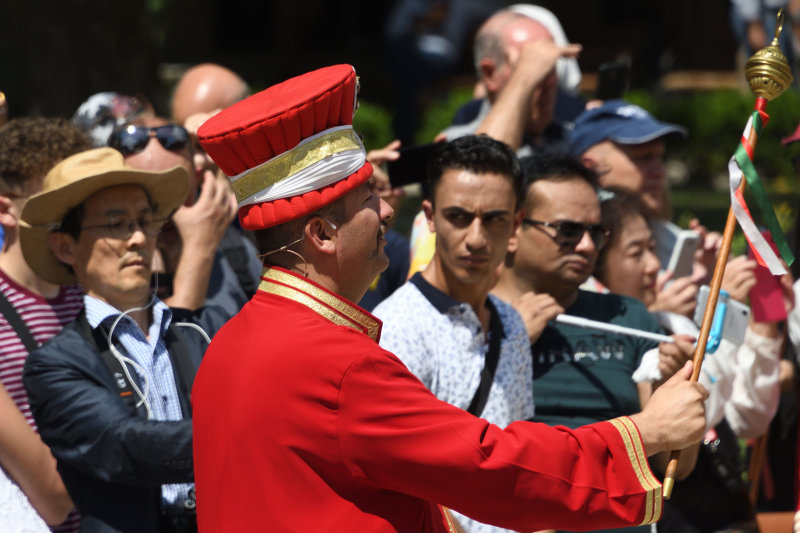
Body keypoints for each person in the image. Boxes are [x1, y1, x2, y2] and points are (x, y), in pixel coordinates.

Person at [192, 64, 708, 532]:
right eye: (369, 198)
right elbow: (490, 464)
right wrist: (643, 434)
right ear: (323, 235)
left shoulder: (228, 345)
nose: (388, 213)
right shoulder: (338, 365)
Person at [20, 148, 229, 532]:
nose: (136, 238)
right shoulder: (54, 364)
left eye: (145, 222)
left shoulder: (208, 330)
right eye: (115, 224)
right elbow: (123, 445)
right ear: (66, 247)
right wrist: (250, 431)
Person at [491, 154, 700, 533]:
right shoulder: (474, 317)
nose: (587, 246)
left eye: (596, 232)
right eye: (568, 231)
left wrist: (673, 386)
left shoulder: (629, 316)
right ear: (513, 228)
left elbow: (675, 467)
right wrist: (507, 341)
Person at [593, 188, 789, 532]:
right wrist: (716, 307)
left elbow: (748, 417)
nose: (653, 265)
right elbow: (686, 433)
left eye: (652, 249)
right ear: (597, 266)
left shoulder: (677, 326)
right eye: (636, 252)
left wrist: (761, 322)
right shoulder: (603, 346)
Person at [373, 135, 531, 533]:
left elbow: (525, 464)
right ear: (429, 217)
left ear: (516, 224)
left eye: (493, 218)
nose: (476, 238)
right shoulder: (396, 329)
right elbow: (401, 482)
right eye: (459, 216)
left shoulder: (512, 324)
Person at [0, 117, 90, 532]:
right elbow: (52, 495)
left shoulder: (95, 294)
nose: (76, 217)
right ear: (6, 209)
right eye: (58, 202)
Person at [110, 114, 258, 315]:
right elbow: (165, 342)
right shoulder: (107, 266)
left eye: (175, 190)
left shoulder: (234, 251)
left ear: (196, 178)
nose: (164, 212)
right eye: (146, 196)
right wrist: (199, 250)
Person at [439, 5, 581, 156]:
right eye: (532, 66)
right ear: (490, 74)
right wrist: (525, 78)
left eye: (550, 66)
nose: (549, 82)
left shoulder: (577, 139)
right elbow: (485, 169)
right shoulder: (453, 148)